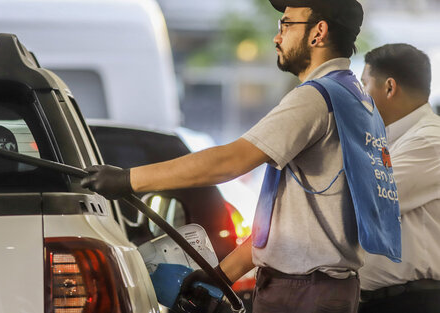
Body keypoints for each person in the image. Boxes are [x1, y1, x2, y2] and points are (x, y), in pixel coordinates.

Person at [81, 1, 400, 312]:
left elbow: (229, 161)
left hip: (301, 294)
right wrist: (220, 276)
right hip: (328, 289)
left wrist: (128, 180)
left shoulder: (316, 98)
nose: (277, 36)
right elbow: (294, 221)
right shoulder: (360, 104)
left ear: (318, 32)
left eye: (286, 24)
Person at [358, 44, 440, 313]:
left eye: (364, 84)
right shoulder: (392, 140)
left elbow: (369, 200)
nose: (359, 96)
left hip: (410, 301)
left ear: (389, 88)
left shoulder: (430, 140)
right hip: (386, 299)